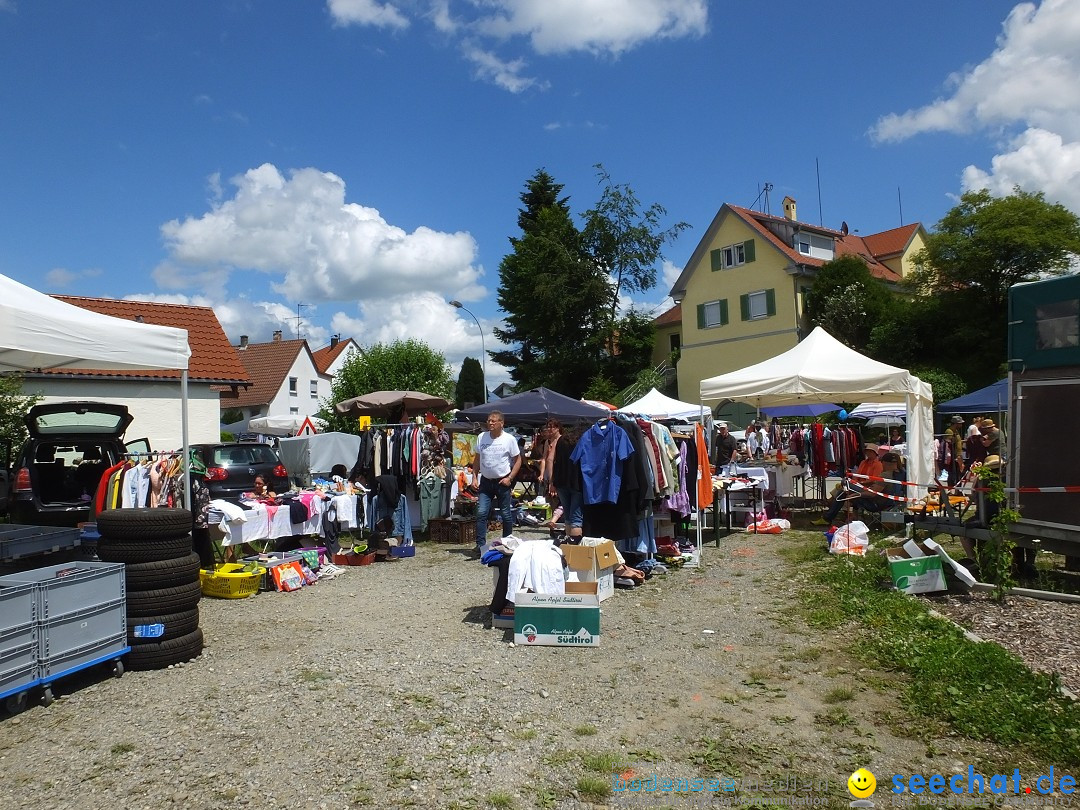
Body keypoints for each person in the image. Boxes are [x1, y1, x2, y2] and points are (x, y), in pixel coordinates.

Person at [472, 410, 522, 556]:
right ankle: (480, 545)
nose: (490, 423)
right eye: (489, 420)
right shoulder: (482, 437)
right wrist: (475, 476)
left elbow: (518, 460)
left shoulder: (509, 439)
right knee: (481, 512)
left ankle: (507, 543)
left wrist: (510, 478)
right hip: (486, 481)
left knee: (506, 514)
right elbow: (477, 458)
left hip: (502, 481)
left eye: (494, 421)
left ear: (502, 423)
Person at [814, 444, 883, 525]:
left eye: (870, 451)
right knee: (843, 490)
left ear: (875, 453)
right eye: (867, 451)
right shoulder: (863, 462)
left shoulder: (878, 464)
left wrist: (859, 483)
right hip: (858, 486)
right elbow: (856, 475)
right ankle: (829, 516)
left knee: (844, 484)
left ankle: (829, 510)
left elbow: (873, 480)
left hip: (867, 488)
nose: (868, 453)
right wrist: (855, 482)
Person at [548, 423, 584, 542]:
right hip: (577, 482)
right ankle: (575, 550)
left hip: (560, 481)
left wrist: (551, 482)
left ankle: (568, 548)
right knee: (576, 519)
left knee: (568, 517)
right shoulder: (583, 440)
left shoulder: (561, 440)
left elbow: (551, 460)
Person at [944, 415, 965, 486]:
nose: (961, 425)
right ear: (956, 423)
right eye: (960, 423)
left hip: (958, 454)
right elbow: (949, 444)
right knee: (953, 473)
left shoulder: (956, 431)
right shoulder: (949, 431)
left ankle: (957, 489)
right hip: (953, 455)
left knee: (958, 473)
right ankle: (951, 488)